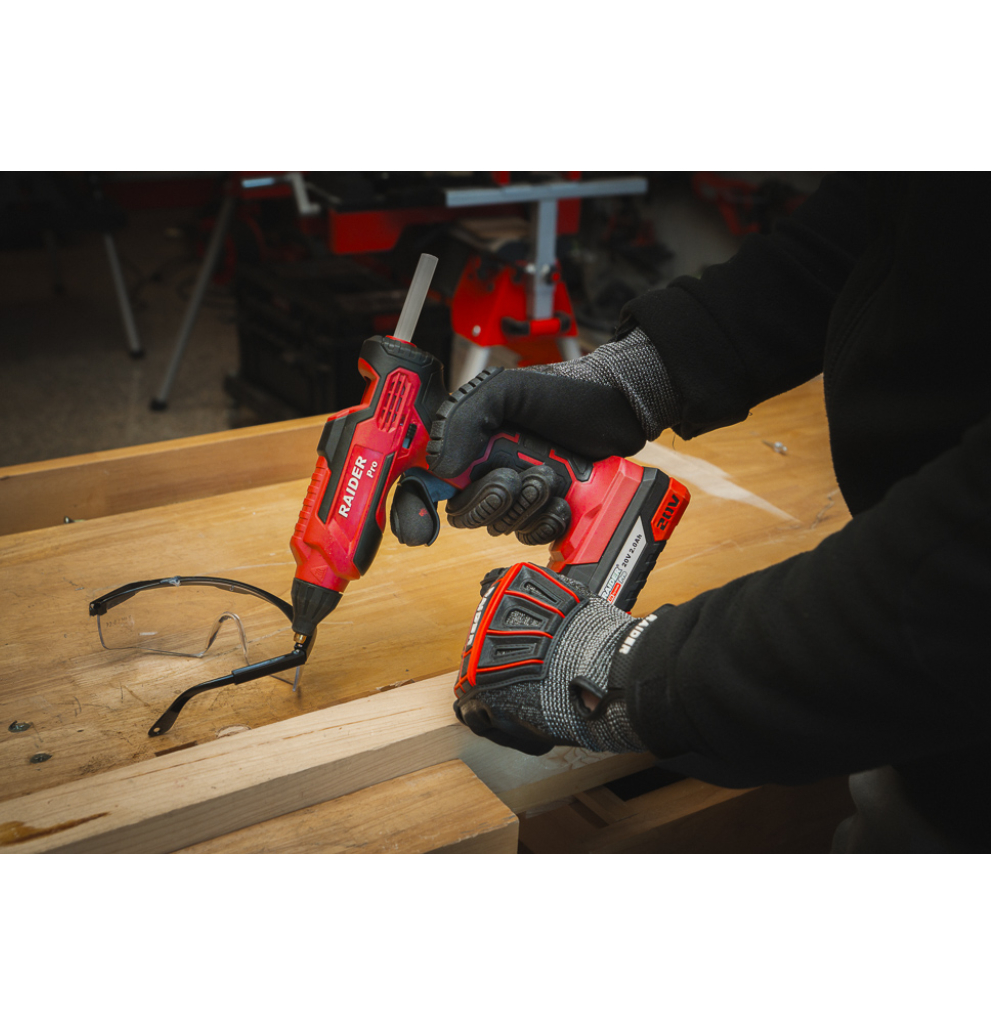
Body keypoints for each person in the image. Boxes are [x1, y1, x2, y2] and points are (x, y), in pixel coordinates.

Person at [419, 172, 991, 853]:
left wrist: (628, 675)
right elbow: (877, 228)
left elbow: (963, 591)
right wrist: (639, 376)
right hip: (915, 725)